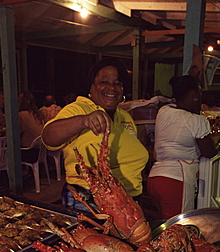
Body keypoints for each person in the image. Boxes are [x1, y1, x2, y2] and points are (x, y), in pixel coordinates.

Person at [42, 57, 149, 210]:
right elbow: (48, 137)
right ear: (91, 87)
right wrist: (83, 121)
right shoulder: (79, 109)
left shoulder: (125, 116)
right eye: (104, 82)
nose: (112, 87)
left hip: (130, 202)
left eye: (117, 83)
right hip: (91, 202)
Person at [147, 75, 218, 220]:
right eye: (199, 92)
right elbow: (209, 152)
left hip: (155, 178)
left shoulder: (164, 111)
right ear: (194, 95)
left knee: (166, 225)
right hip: (176, 181)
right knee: (179, 228)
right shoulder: (197, 121)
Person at [18, 91, 44, 162]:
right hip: (41, 151)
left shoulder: (21, 115)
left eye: (18, 100)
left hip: (30, 152)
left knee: (8, 151)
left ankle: (22, 172)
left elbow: (15, 133)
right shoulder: (37, 114)